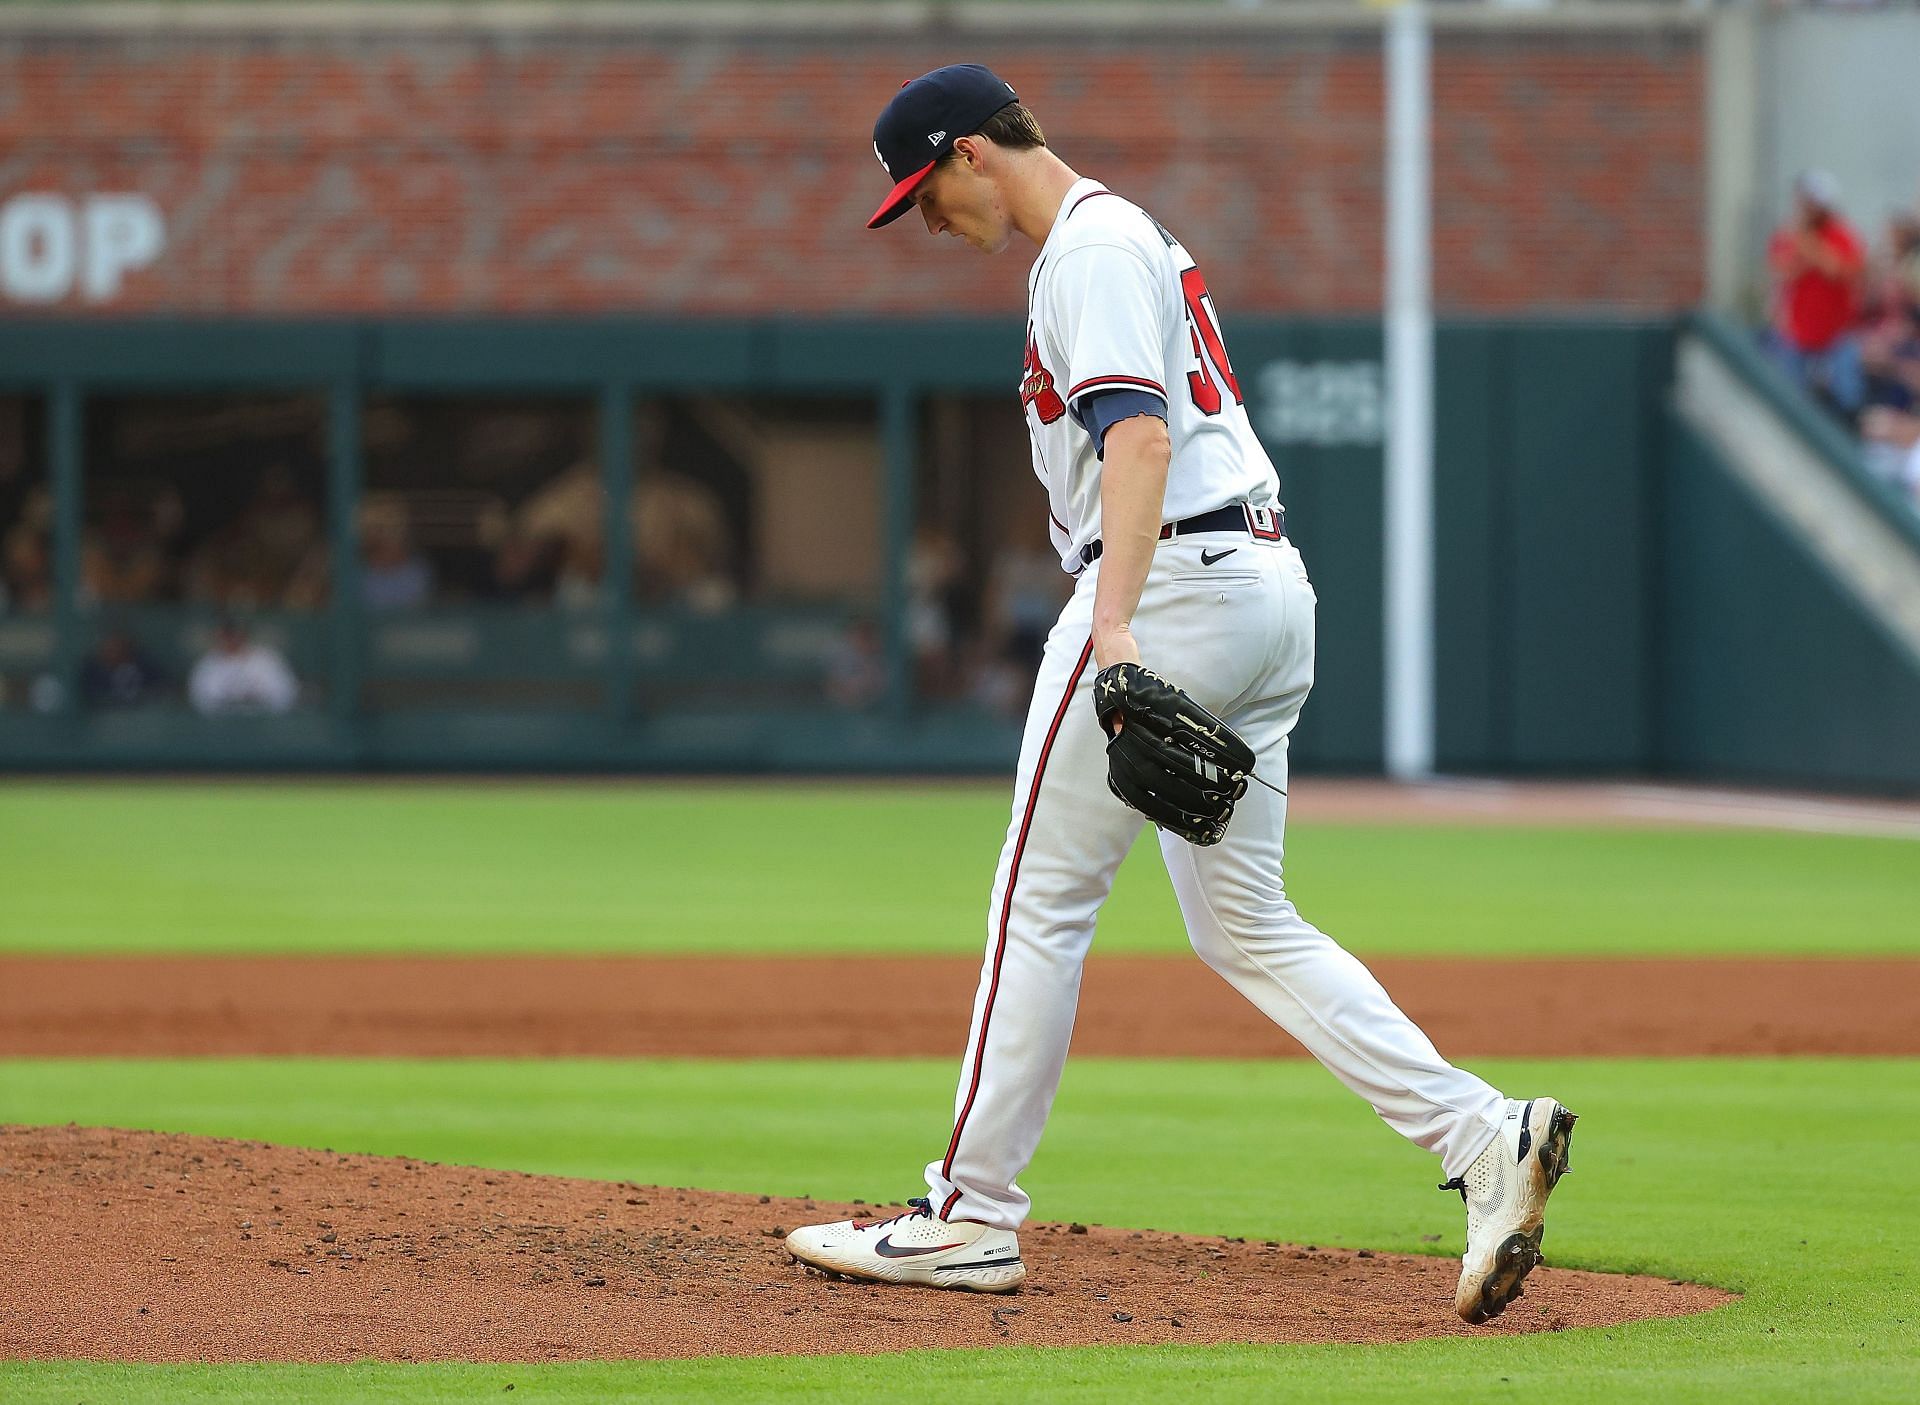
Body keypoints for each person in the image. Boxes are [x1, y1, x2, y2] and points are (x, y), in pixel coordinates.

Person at [783, 65, 1577, 1326]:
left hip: (1173, 588)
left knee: (1040, 897)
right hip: (1263, 585)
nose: (929, 222)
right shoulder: (1124, 232)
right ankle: (1486, 1137)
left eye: (926, 193)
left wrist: (1112, 631)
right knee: (1247, 923)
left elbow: (1137, 440)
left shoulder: (1087, 250)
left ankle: (971, 1214)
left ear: (974, 153)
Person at [1766, 170, 1868, 420]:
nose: (1805, 207)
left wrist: (1809, 245)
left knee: (1847, 399)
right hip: (1797, 334)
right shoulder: (1789, 235)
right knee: (1790, 401)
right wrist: (1802, 247)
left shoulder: (1841, 235)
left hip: (1837, 333)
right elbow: (1782, 272)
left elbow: (1840, 270)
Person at [187, 619, 299, 716]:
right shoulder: (207, 664)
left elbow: (286, 695)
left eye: (235, 634)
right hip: (221, 729)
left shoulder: (268, 660)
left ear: (245, 635)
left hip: (264, 726)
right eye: (227, 635)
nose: (232, 639)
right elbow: (199, 700)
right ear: (219, 636)